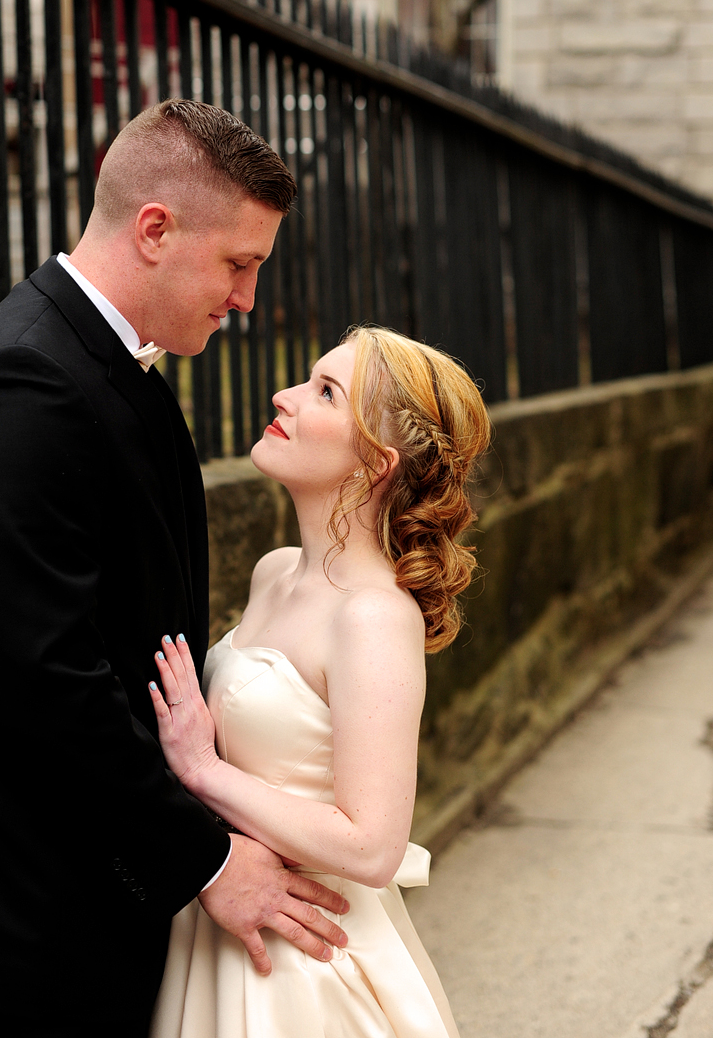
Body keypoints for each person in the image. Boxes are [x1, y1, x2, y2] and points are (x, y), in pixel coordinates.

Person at [0, 100, 350, 1038]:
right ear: (156, 229)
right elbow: (43, 676)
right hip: (12, 931)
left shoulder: (108, 366)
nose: (248, 297)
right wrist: (206, 861)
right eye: (240, 264)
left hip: (88, 910)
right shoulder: (23, 378)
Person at [146, 324, 491, 1038]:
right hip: (217, 925)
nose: (284, 394)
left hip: (305, 964)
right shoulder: (274, 571)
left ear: (376, 462)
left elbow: (372, 845)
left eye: (324, 391)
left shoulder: (373, 618)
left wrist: (204, 772)